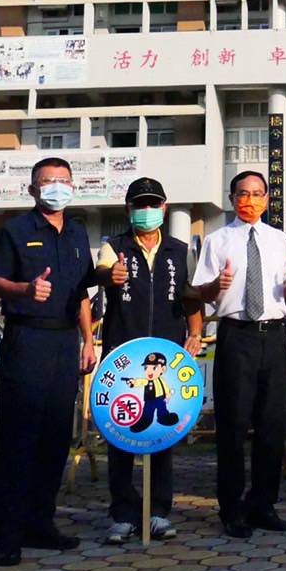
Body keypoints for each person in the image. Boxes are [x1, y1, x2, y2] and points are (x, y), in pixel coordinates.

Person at [0, 157, 97, 566]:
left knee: (53, 439)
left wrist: (88, 340)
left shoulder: (78, 233)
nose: (56, 187)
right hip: (26, 338)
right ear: (32, 189)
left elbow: (83, 291)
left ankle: (41, 524)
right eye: (47, 181)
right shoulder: (14, 231)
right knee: (18, 439)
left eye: (63, 181)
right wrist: (24, 289)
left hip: (65, 342)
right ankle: (7, 534)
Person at [192, 171, 286, 538]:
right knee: (233, 425)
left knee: (272, 426)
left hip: (273, 336)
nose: (250, 201)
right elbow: (199, 294)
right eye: (243, 194)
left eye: (258, 194)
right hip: (235, 336)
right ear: (232, 197)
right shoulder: (217, 239)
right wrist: (215, 286)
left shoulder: (280, 239)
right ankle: (231, 508)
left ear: (268, 198)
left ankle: (263, 504)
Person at [95, 177, 204, 545]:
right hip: (124, 355)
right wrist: (112, 276)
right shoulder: (114, 246)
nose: (147, 211)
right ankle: (123, 514)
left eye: (153, 203)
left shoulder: (179, 249)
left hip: (167, 355)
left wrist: (194, 330)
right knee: (121, 432)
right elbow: (102, 272)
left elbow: (190, 296)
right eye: (140, 204)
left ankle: (158, 511)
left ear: (164, 207)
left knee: (161, 433)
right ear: (129, 209)